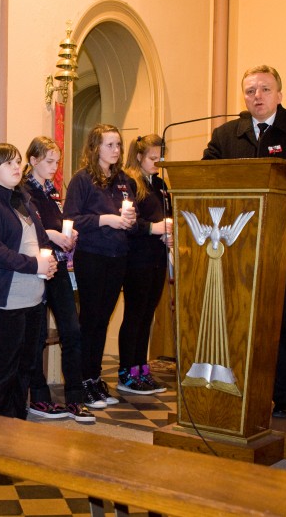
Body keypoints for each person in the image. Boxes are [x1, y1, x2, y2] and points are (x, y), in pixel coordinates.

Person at [203, 65, 286, 418]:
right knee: (239, 322)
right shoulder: (226, 135)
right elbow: (206, 176)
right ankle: (240, 387)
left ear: (280, 93)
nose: (257, 96)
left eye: (265, 89)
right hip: (238, 248)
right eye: (250, 91)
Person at [0, 143, 57, 420]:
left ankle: (15, 432)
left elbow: (40, 240)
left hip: (32, 299)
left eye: (19, 162)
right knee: (2, 372)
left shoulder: (24, 199)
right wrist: (34, 264)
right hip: (1, 303)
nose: (17, 167)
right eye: (9, 163)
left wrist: (49, 260)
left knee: (25, 368)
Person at [62, 124, 138, 408]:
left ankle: (95, 379)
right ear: (95, 148)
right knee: (90, 320)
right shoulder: (82, 180)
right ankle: (84, 381)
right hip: (92, 256)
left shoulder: (123, 180)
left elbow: (132, 214)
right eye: (109, 145)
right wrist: (106, 220)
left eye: (118, 144)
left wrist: (129, 221)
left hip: (117, 256)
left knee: (103, 320)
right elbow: (71, 219)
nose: (116, 150)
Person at [23, 136, 95, 422]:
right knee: (38, 335)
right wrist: (52, 235)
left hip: (59, 265)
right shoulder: (24, 190)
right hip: (39, 267)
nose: (54, 167)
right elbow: (32, 228)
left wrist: (69, 234)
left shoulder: (52, 189)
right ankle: (39, 397)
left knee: (72, 331)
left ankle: (74, 398)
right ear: (33, 161)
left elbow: (56, 222)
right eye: (49, 161)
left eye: (57, 161)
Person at [117, 134, 171, 395]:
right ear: (139, 156)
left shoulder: (160, 183)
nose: (158, 162)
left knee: (148, 314)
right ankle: (127, 371)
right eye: (153, 157)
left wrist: (168, 230)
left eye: (161, 157)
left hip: (157, 257)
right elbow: (129, 223)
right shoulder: (128, 182)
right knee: (135, 315)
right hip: (137, 258)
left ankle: (141, 368)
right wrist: (153, 227)